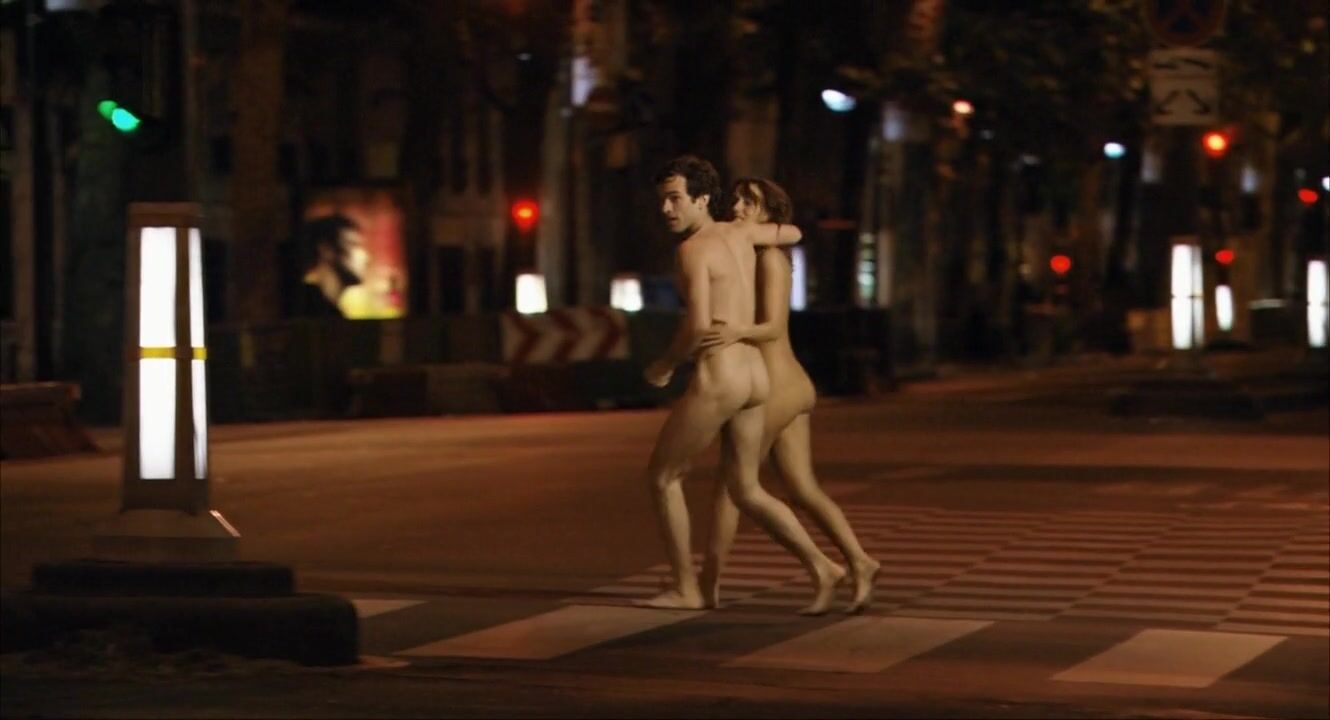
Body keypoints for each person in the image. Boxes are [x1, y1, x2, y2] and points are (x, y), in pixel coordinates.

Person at [638, 156, 846, 615]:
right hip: (756, 377)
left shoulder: (693, 250)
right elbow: (794, 233)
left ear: (702, 200)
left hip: (722, 376)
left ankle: (686, 588)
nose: (667, 210)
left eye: (675, 199)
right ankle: (823, 566)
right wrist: (766, 228)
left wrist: (666, 364)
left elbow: (697, 326)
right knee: (747, 489)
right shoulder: (742, 234)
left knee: (664, 477)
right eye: (663, 201)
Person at [699, 177, 881, 614]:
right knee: (801, 488)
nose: (738, 208)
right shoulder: (751, 253)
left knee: (734, 484)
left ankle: (710, 582)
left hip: (779, 386)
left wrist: (736, 331)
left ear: (769, 213)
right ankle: (860, 562)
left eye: (750, 202)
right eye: (737, 200)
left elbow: (775, 326)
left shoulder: (770, 261)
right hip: (788, 385)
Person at [299, 214, 371, 318]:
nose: (366, 257)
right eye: (353, 245)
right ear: (326, 250)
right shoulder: (309, 308)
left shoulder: (328, 309)